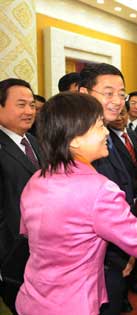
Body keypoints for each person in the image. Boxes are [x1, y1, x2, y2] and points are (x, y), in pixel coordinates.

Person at [14, 92, 137, 315]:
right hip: (73, 304)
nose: (105, 132)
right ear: (75, 138)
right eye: (100, 125)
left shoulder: (38, 178)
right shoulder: (99, 189)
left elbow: (28, 232)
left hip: (32, 297)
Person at [78, 63, 137, 315]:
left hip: (115, 250)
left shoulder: (109, 135)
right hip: (95, 263)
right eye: (108, 93)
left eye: (122, 94)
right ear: (85, 94)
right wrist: (118, 255)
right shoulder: (78, 143)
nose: (118, 101)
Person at [0, 78, 40, 315]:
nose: (29, 111)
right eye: (21, 104)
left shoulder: (35, 141)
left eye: (32, 105)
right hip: (11, 254)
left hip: (39, 250)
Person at [109, 107, 137, 297]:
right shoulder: (107, 140)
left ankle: (135, 279)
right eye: (116, 114)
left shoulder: (132, 135)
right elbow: (120, 174)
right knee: (123, 250)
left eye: (123, 114)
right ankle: (123, 292)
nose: (120, 118)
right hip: (125, 201)